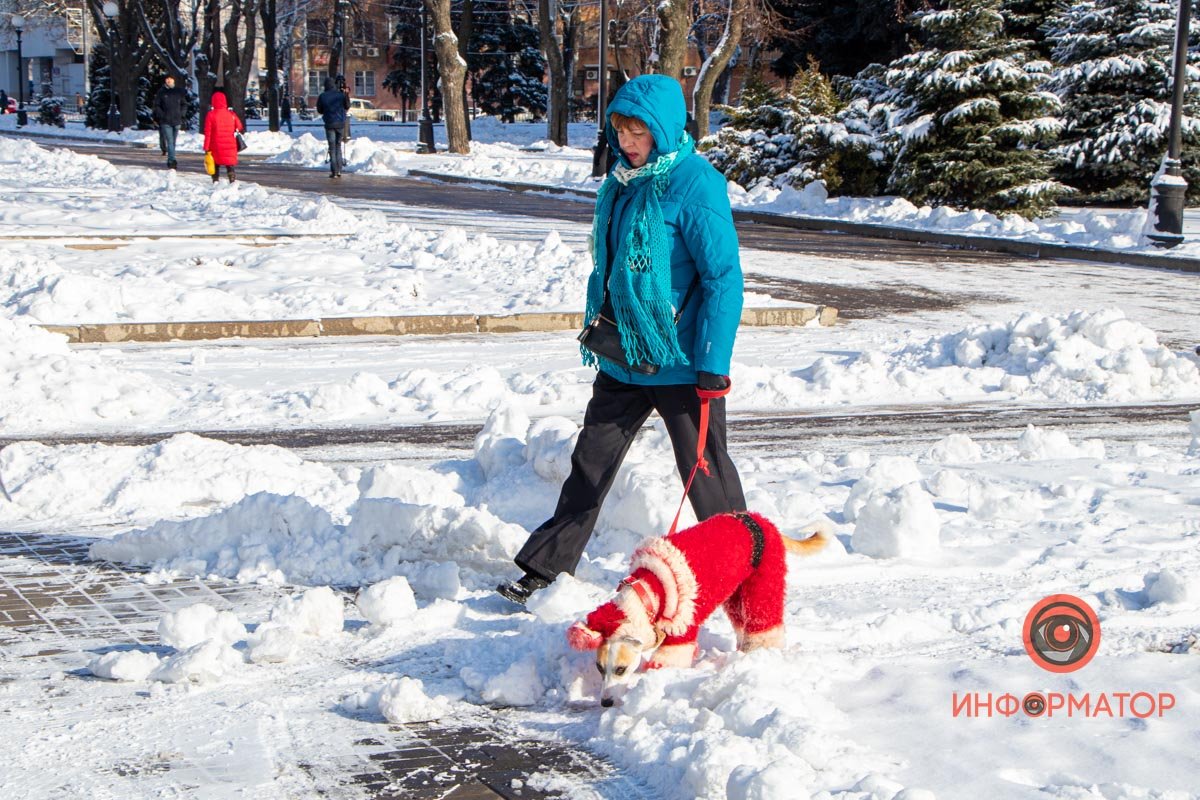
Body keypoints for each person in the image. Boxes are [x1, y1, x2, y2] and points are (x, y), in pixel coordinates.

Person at [497, 74, 746, 605]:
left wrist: (712, 362)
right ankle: (546, 567)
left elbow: (724, 279)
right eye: (620, 131)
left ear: (663, 129)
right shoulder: (622, 183)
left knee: (705, 473)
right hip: (624, 354)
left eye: (638, 132)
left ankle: (743, 576)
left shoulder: (697, 184)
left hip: (680, 361)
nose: (627, 143)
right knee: (590, 462)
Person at [202, 90, 244, 183]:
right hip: (230, 143)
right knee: (229, 163)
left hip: (215, 144)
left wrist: (206, 147)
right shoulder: (231, 114)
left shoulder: (211, 115)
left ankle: (215, 180)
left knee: (215, 163)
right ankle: (232, 177)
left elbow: (208, 132)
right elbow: (239, 126)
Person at [316, 77, 349, 178]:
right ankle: (339, 170)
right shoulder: (340, 95)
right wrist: (346, 94)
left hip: (329, 124)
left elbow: (320, 110)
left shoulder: (322, 96)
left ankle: (334, 171)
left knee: (332, 148)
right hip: (340, 124)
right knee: (338, 146)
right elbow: (347, 106)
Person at [153, 75, 187, 169]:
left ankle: (171, 158)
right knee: (170, 141)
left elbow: (184, 104)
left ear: (173, 80)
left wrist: (181, 114)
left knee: (173, 142)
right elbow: (157, 105)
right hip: (166, 121)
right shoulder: (161, 92)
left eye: (170, 79)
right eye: (167, 79)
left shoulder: (178, 92)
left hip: (177, 121)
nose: (168, 80)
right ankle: (172, 161)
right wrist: (161, 115)